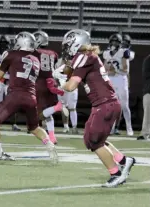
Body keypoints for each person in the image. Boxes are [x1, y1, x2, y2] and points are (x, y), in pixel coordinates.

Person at [54, 29, 135, 187]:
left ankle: (116, 173)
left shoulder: (84, 57)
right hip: (104, 103)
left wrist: (61, 79)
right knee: (91, 138)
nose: (66, 48)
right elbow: (74, 71)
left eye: (69, 44)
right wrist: (62, 73)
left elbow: (70, 86)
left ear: (77, 43)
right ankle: (124, 161)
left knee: (94, 141)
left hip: (105, 104)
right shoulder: (87, 57)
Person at [0, 32, 58, 164]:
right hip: (32, 97)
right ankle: (49, 145)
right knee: (34, 127)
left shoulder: (11, 55)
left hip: (16, 95)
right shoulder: (35, 60)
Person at [33, 30, 65, 144]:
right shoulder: (53, 53)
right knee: (47, 112)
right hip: (51, 81)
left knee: (39, 114)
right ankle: (52, 137)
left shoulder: (34, 52)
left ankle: (57, 108)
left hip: (39, 82)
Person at [103, 33, 133, 136]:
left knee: (124, 106)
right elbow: (104, 68)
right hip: (111, 80)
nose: (114, 44)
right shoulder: (107, 54)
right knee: (111, 105)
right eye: (113, 42)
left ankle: (129, 129)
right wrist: (108, 71)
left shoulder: (124, 52)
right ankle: (111, 128)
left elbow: (126, 69)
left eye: (116, 42)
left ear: (120, 43)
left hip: (121, 79)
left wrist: (115, 70)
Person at [137, 55, 150, 140]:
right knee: (148, 113)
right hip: (149, 90)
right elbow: (147, 75)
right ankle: (145, 133)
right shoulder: (149, 59)